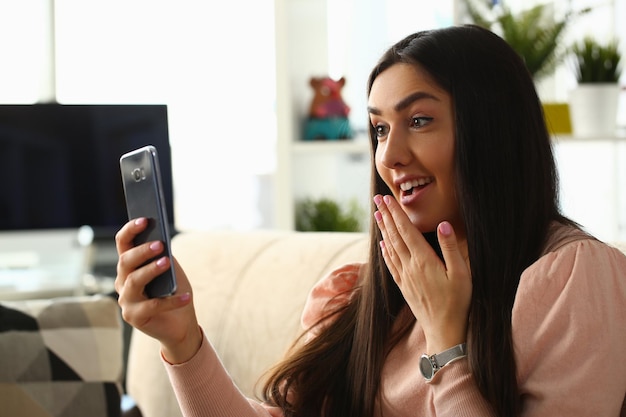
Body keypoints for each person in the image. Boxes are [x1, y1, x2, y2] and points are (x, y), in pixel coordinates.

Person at [115, 25, 626, 417]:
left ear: (490, 131)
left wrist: (446, 341)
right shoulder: (359, 297)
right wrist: (183, 342)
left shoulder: (570, 279)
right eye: (379, 129)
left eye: (419, 120)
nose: (390, 155)